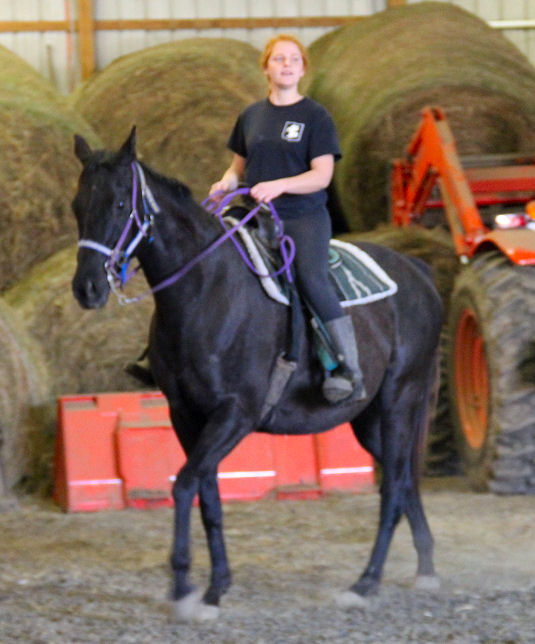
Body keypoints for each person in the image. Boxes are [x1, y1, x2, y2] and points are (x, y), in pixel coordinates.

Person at [210, 34, 365, 403]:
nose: (287, 65)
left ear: (303, 69)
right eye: (279, 59)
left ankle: (349, 369)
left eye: (294, 59)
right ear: (266, 68)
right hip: (254, 214)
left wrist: (279, 185)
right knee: (211, 262)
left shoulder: (315, 117)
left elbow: (321, 176)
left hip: (302, 216)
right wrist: (225, 182)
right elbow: (237, 169)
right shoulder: (251, 116)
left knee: (311, 278)